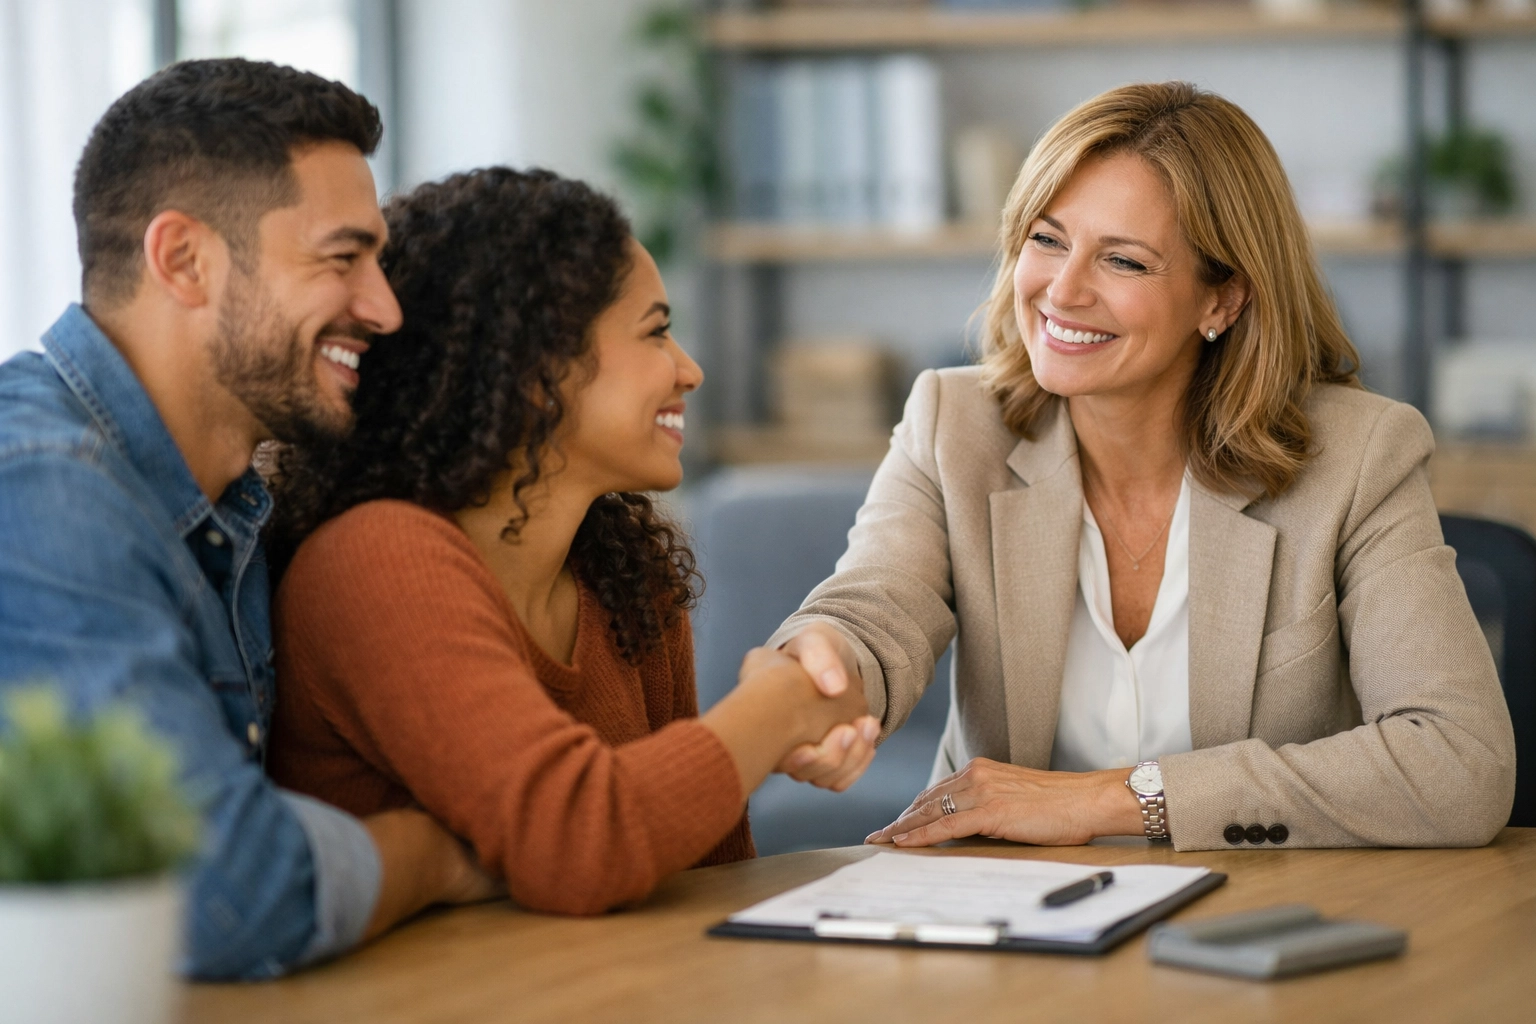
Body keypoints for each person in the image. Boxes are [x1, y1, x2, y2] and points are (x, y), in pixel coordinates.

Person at [770, 81, 1516, 850]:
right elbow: (872, 611)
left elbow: (1459, 764)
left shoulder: (1359, 455)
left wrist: (1109, 800)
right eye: (1047, 239)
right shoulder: (952, 424)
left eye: (1122, 261)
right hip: (1006, 919)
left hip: (1255, 928)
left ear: (1222, 300)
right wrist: (823, 670)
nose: (1062, 291)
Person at [0, 59, 502, 979]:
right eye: (341, 259)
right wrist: (438, 853)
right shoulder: (43, 489)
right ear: (183, 259)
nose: (384, 308)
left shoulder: (229, 506)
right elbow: (228, 890)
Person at [263, 167, 873, 914]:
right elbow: (579, 842)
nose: (690, 369)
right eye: (655, 331)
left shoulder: (626, 576)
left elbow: (708, 880)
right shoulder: (374, 561)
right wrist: (776, 708)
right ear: (534, 370)